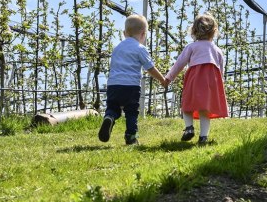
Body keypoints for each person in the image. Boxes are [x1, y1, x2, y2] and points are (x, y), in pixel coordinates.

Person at [98, 14, 167, 145]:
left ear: (124, 33)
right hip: (131, 86)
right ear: (143, 34)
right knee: (131, 111)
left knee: (113, 106)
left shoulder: (117, 48)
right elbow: (150, 68)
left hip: (113, 84)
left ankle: (109, 117)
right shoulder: (140, 48)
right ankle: (131, 136)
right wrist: (162, 79)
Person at [163, 13, 228, 145]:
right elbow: (221, 71)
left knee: (187, 104)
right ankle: (203, 137)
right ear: (214, 31)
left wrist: (169, 77)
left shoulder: (191, 47)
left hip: (195, 78)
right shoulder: (217, 50)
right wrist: (220, 86)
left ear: (193, 31)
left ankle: (189, 128)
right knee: (205, 109)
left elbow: (179, 64)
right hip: (211, 82)